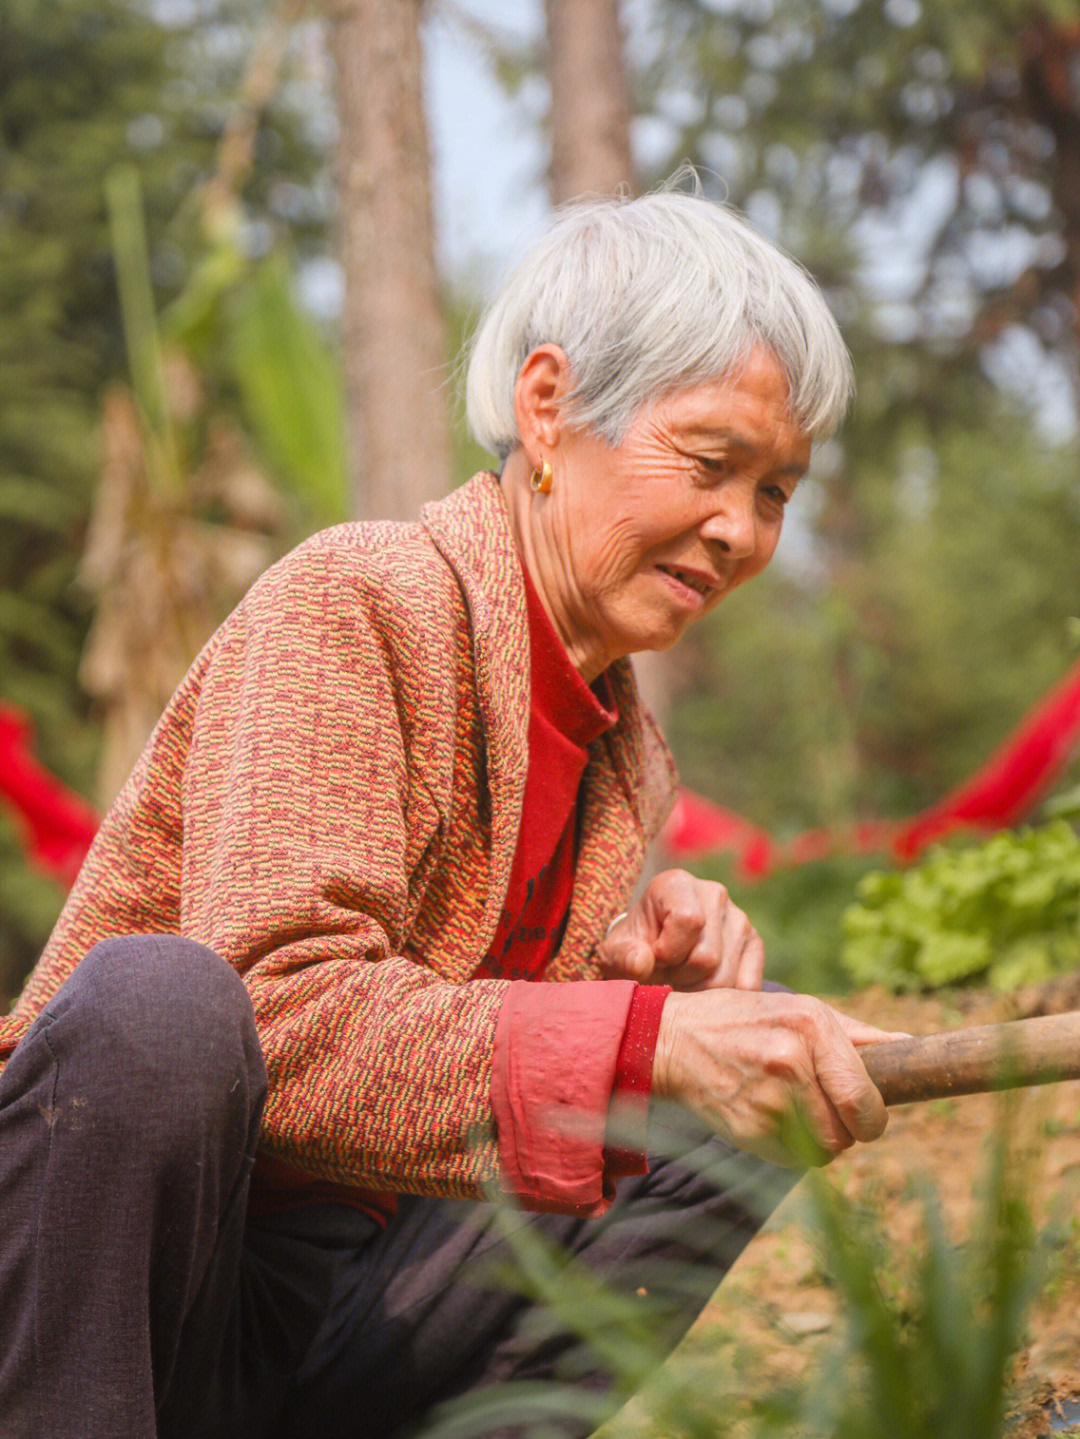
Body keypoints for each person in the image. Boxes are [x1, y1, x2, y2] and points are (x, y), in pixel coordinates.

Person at [0, 181, 900, 1439]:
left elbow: (482, 1074)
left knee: (726, 1114)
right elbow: (281, 1022)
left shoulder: (625, 758)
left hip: (324, 1305)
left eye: (777, 493)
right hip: (118, 1298)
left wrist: (645, 999)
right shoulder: (358, 600)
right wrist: (631, 1041)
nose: (739, 529)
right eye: (711, 464)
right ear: (547, 408)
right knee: (163, 1004)